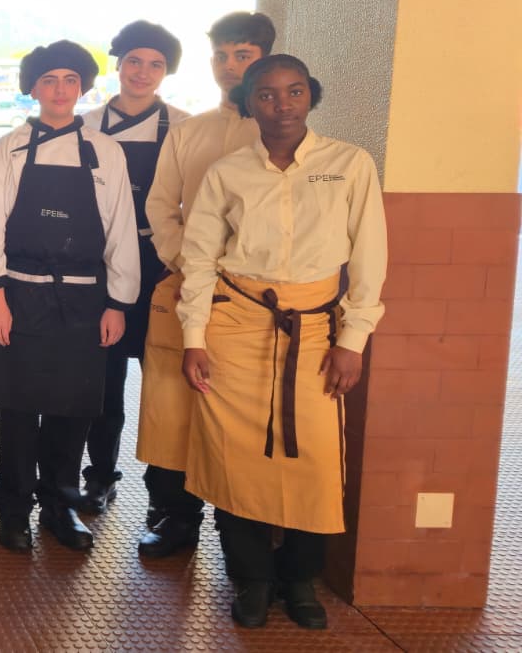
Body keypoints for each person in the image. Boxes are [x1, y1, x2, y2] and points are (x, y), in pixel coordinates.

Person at [178, 54, 385, 630]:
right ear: (249, 104)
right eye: (266, 95)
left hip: (316, 331)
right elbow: (198, 259)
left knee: (314, 459)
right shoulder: (227, 172)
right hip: (236, 329)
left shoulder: (350, 164)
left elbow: (370, 259)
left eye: (294, 92)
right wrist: (194, 336)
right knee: (237, 458)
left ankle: (298, 578)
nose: (282, 105)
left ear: (311, 97)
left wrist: (354, 339)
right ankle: (250, 577)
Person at [0, 41, 138, 552]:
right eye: (49, 80)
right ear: (33, 87)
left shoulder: (105, 152)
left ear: (83, 86)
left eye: (70, 80)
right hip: (20, 296)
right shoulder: (10, 148)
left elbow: (121, 230)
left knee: (72, 411)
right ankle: (14, 512)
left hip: (86, 302)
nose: (60, 90)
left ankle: (62, 508)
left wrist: (118, 302)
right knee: (19, 412)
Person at [135, 11, 273, 557]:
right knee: (171, 406)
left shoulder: (280, 131)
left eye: (244, 55)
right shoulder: (191, 131)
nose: (230, 66)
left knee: (238, 408)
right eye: (222, 56)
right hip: (187, 283)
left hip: (255, 298)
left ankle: (239, 528)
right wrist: (183, 260)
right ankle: (173, 515)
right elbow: (160, 204)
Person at [76, 22, 190, 514]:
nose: (144, 73)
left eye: (157, 64)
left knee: (165, 384)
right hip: (98, 264)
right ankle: (99, 476)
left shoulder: (184, 127)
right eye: (135, 61)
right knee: (101, 380)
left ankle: (166, 495)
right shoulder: (84, 124)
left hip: (160, 264)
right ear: (118, 64)